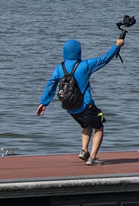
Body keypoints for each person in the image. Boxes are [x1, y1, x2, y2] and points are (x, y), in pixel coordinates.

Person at [36, 37, 124, 166]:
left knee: (86, 125)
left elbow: (51, 84)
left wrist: (43, 103)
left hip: (70, 108)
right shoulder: (85, 65)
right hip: (85, 106)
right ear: (79, 51)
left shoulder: (59, 68)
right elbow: (105, 59)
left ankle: (84, 151)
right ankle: (92, 158)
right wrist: (117, 46)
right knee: (99, 127)